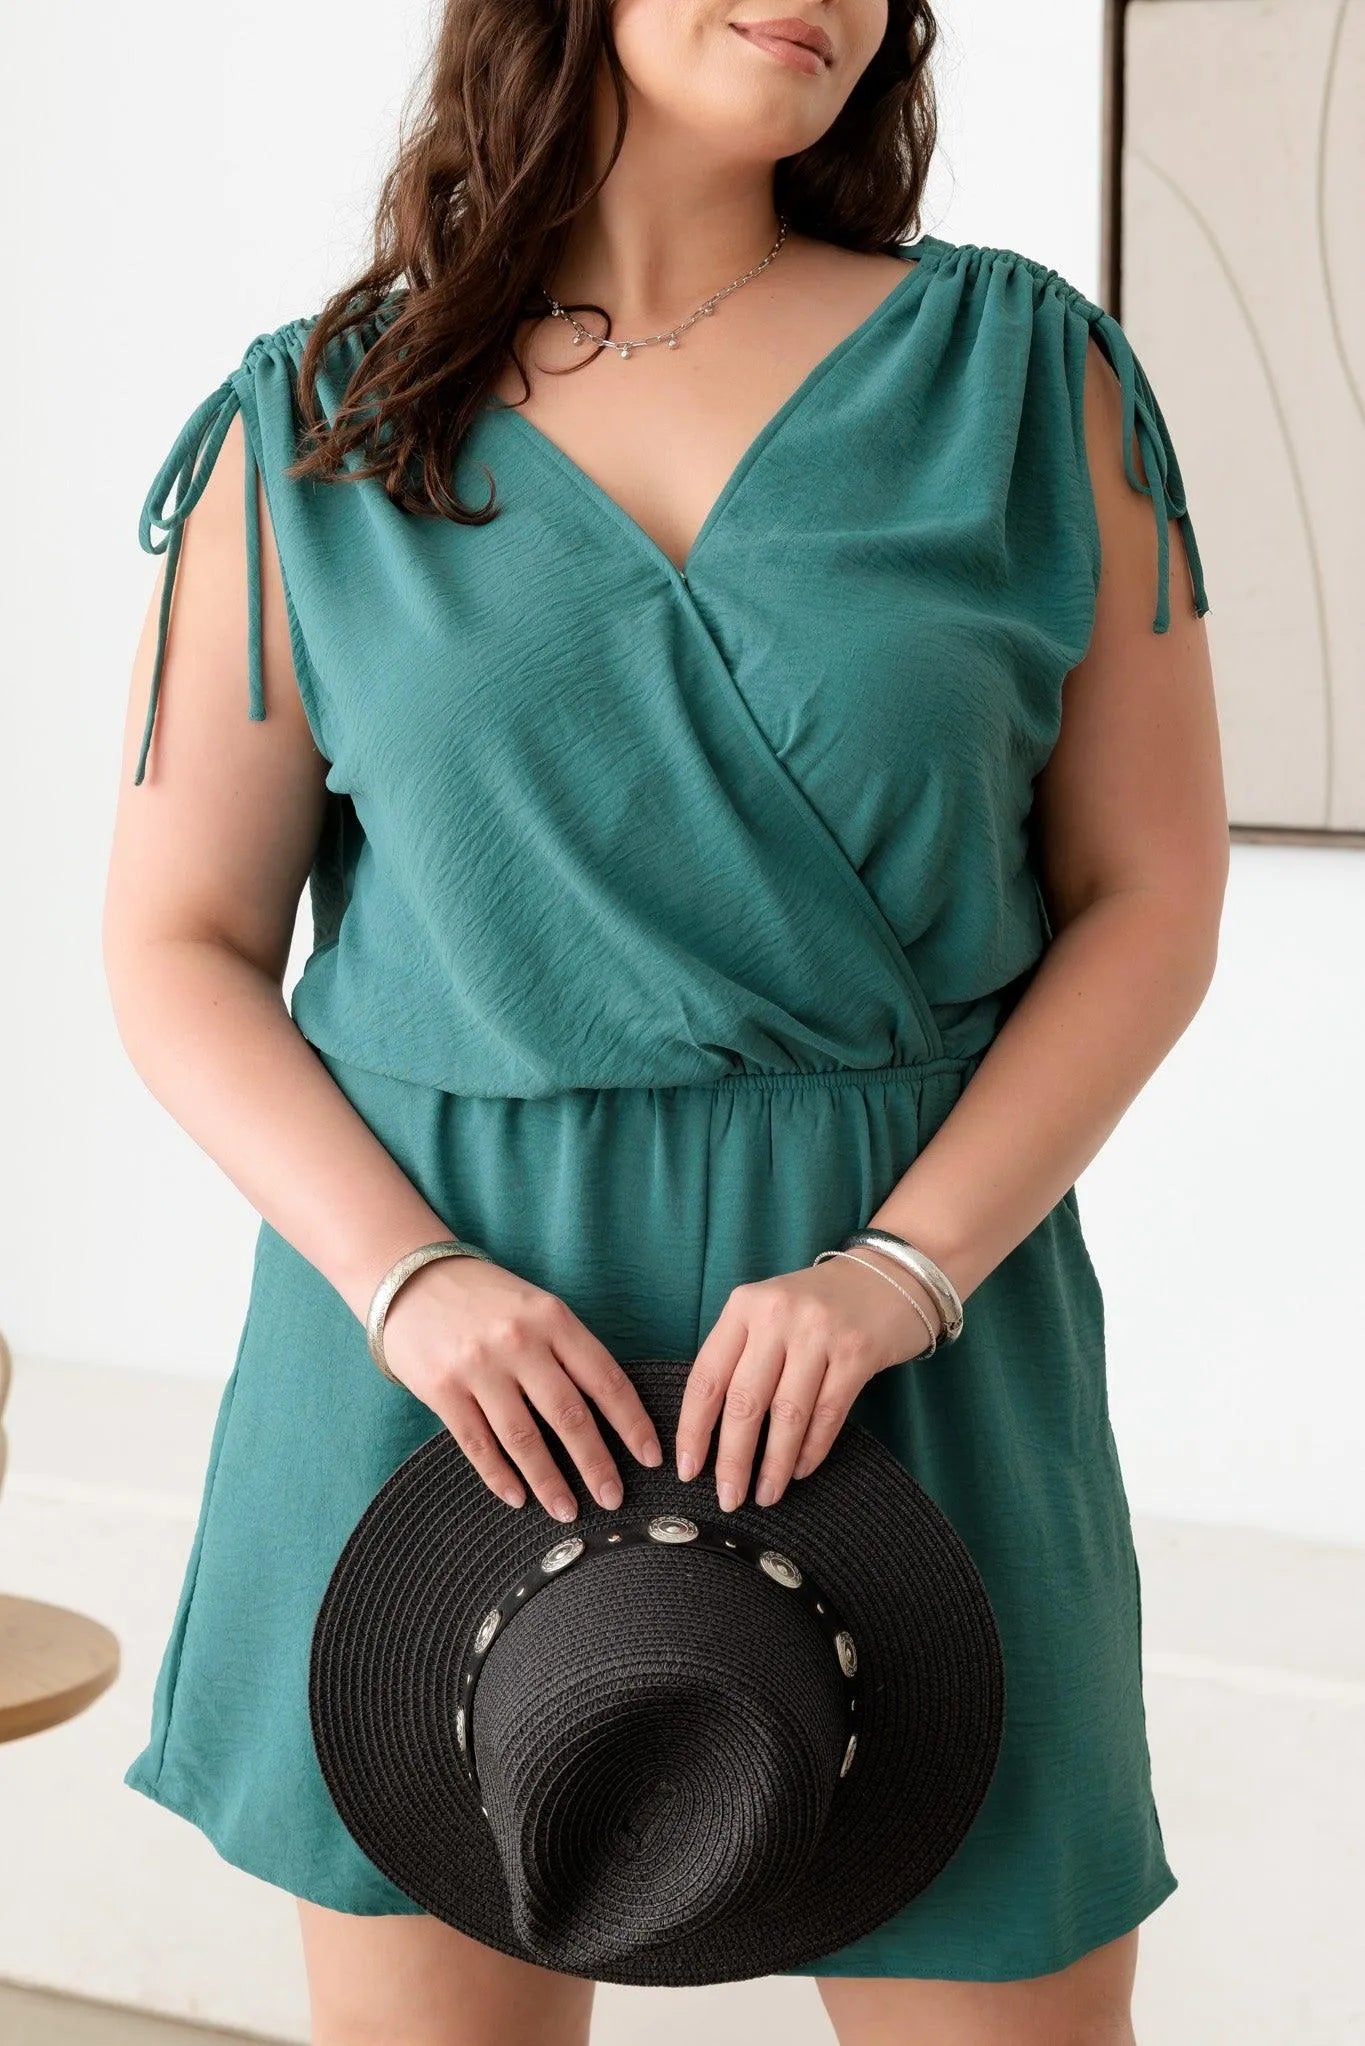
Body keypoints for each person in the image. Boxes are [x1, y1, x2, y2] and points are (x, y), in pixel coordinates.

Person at [101, 2, 1227, 2042]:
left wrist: (898, 1271)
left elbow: (1147, 899)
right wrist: (406, 1280)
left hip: (918, 1340)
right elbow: (178, 942)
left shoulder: (1021, 379)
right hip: (440, 1369)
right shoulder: (317, 421)